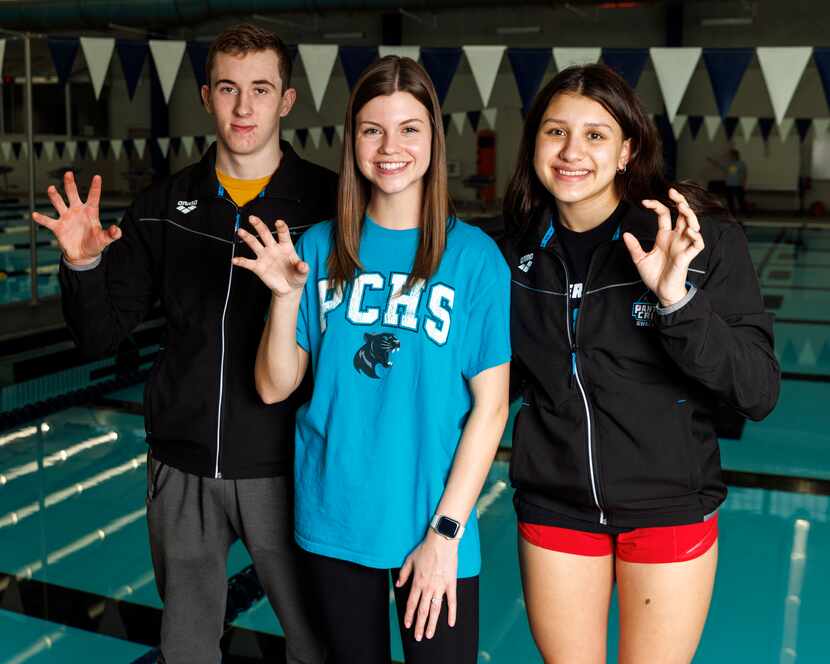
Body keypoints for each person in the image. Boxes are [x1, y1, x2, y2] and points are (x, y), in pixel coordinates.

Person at [32, 23, 337, 664]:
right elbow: (97, 338)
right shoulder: (162, 208)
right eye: (229, 88)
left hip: (291, 467)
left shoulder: (329, 206)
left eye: (261, 89)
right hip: (182, 468)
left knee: (320, 645)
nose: (244, 107)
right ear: (206, 95)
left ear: (287, 100)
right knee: (187, 650)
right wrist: (84, 268)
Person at [233, 56, 511, 664]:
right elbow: (275, 387)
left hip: (433, 523)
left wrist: (444, 534)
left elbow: (491, 410)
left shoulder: (473, 259)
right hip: (336, 518)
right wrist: (284, 299)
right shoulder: (318, 248)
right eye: (372, 129)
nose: (391, 147)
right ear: (352, 141)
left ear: (433, 141)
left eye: (409, 129)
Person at [501, 64, 779, 664]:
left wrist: (678, 302)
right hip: (556, 506)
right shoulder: (511, 255)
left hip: (669, 506)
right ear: (535, 146)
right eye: (555, 132)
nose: (572, 152)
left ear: (628, 150)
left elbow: (757, 391)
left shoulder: (693, 242)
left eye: (596, 135)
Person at [709, 148, 748, 217]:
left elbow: (744, 175)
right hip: (729, 184)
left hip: (738, 185)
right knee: (730, 200)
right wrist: (712, 161)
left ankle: (744, 213)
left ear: (735, 155)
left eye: (731, 155)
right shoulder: (729, 163)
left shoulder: (741, 164)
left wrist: (743, 184)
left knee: (740, 200)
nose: (730, 157)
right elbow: (720, 166)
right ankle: (732, 214)